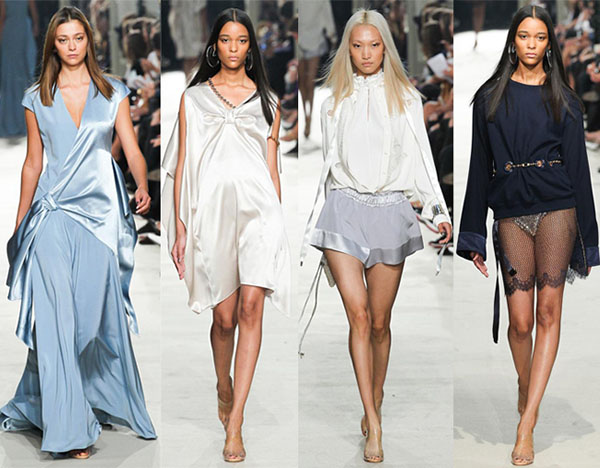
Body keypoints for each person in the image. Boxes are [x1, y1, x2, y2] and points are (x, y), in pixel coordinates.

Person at [0, 6, 156, 459]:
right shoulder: (37, 97)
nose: (71, 46)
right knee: (56, 322)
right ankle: (69, 430)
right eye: (63, 39)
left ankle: (48, 400)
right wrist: (20, 223)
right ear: (53, 45)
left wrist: (143, 184)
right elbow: (33, 163)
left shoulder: (113, 92)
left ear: (89, 40)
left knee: (88, 323)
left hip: (100, 218)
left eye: (78, 38)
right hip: (51, 214)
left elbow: (131, 148)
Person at [300, 9, 452, 464]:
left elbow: (423, 158)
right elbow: (329, 167)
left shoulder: (406, 98)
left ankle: (377, 395)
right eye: (357, 45)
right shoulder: (332, 102)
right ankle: (373, 419)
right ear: (347, 49)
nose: (366, 54)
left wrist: (438, 210)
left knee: (381, 323)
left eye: (374, 45)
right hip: (344, 210)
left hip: (390, 209)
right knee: (360, 317)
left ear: (386, 47)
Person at [456, 5, 599, 466]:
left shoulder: (565, 100)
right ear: (513, 41)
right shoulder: (489, 98)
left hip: (558, 207)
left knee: (547, 312)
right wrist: (472, 235)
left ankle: (527, 422)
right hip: (511, 211)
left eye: (539, 37)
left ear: (549, 42)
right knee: (520, 323)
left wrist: (590, 239)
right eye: (524, 36)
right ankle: (526, 385)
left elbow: (579, 170)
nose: (532, 45)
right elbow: (478, 168)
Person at [162, 7, 291, 464]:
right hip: (211, 214)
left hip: (259, 213)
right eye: (226, 40)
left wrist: (279, 226)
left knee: (252, 307)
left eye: (241, 41)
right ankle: (223, 384)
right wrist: (179, 226)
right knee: (224, 318)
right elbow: (179, 164)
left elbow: (272, 171)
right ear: (214, 46)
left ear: (250, 46)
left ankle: (235, 422)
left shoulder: (269, 101)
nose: (233, 48)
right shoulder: (193, 98)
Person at [0, 0, 38, 138]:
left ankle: (12, 121)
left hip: (12, 31)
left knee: (11, 75)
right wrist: (35, 24)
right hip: (21, 29)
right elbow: (34, 12)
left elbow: (2, 17)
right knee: (22, 73)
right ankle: (24, 120)